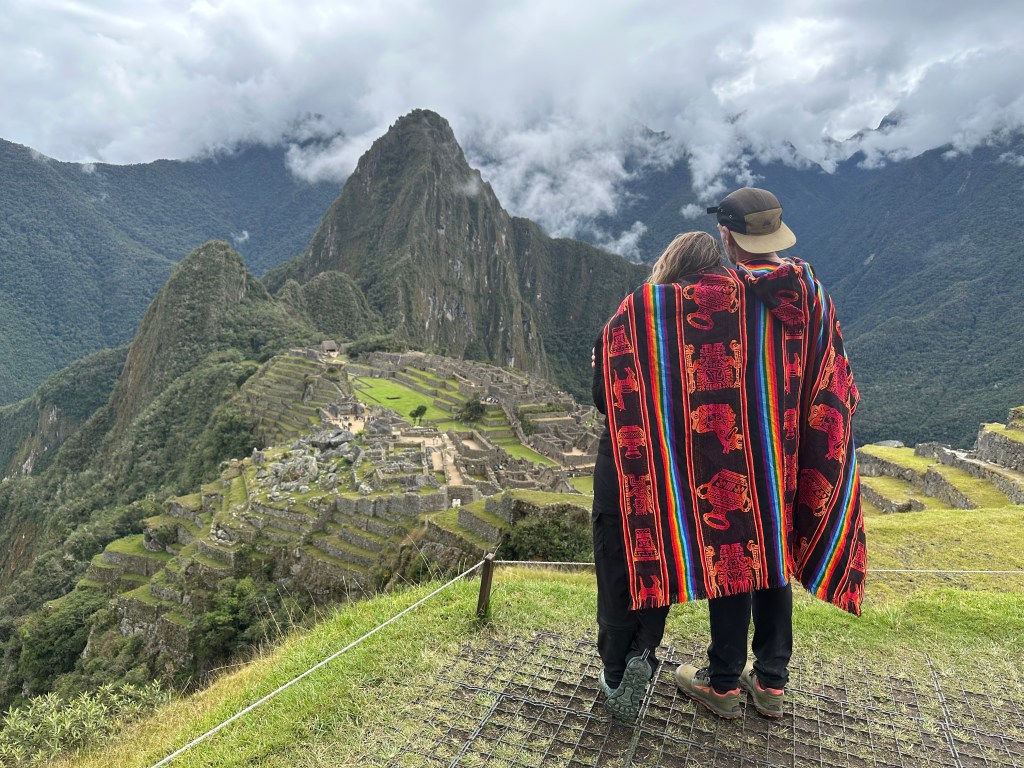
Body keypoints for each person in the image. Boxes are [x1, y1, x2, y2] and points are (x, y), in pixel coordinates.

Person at [594, 188, 865, 722]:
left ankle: (721, 684)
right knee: (775, 559)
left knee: (735, 561)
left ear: (726, 236)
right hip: (781, 459)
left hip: (728, 460)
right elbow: (833, 376)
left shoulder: (721, 294)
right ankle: (771, 683)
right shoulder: (808, 290)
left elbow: (641, 334)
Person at [591, 231, 724, 721]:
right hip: (680, 472)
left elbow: (604, 396)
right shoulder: (726, 328)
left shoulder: (634, 312)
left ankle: (614, 669)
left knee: (615, 561)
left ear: (669, 263)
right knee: (656, 560)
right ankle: (644, 652)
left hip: (624, 467)